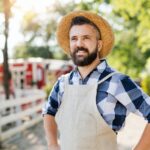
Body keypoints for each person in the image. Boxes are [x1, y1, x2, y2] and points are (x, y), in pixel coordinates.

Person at [42, 11, 150, 150]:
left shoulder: (116, 82)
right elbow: (48, 112)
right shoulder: (62, 84)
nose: (79, 43)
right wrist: (52, 144)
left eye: (86, 38)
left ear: (99, 45)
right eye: (74, 38)